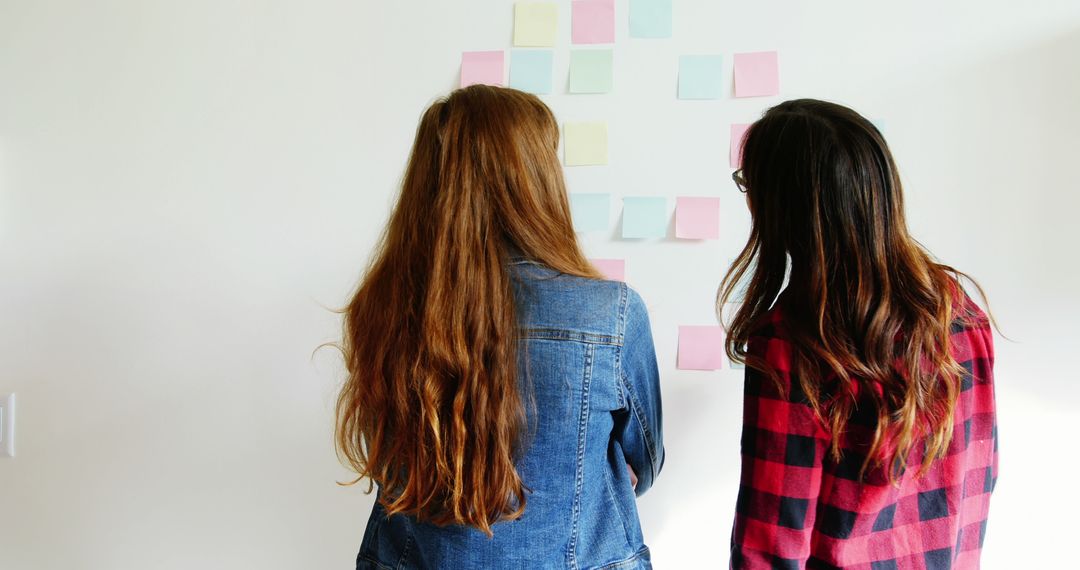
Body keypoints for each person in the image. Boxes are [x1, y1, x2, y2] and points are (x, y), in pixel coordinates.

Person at [336, 85, 664, 570]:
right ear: (535, 180)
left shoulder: (380, 309)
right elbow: (645, 459)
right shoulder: (611, 314)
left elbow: (385, 453)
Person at [722, 99, 997, 569]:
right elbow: (978, 475)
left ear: (781, 205)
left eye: (749, 184)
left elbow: (771, 540)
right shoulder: (956, 310)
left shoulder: (792, 340)